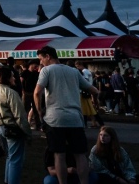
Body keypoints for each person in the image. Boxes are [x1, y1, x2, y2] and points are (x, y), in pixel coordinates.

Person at [34, 45, 99, 184]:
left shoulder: (46, 71)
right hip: (75, 118)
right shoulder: (74, 72)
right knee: (80, 155)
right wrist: (96, 102)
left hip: (54, 119)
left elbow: (37, 92)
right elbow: (94, 91)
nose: (40, 62)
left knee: (59, 155)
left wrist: (40, 112)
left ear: (48, 56)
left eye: (41, 59)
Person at [0, 66, 31, 184]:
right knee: (16, 159)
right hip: (11, 127)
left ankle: (7, 180)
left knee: (9, 157)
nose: (14, 78)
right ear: (6, 77)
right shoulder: (11, 92)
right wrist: (27, 132)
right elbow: (20, 115)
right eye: (12, 76)